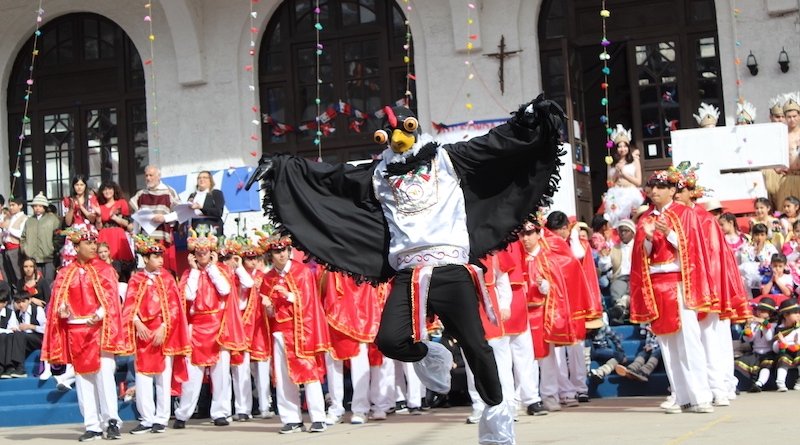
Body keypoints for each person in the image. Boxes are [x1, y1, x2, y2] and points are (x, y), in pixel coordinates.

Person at [246, 96, 564, 445]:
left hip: (451, 268)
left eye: (404, 129)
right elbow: (331, 177)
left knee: (477, 347)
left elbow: (494, 144)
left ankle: (497, 422)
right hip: (409, 275)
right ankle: (433, 353)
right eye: (389, 134)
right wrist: (282, 167)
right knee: (389, 340)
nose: (397, 138)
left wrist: (530, 119)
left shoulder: (447, 159)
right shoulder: (378, 174)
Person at [629, 170, 714, 414]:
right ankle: (680, 394)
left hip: (679, 282)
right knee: (667, 344)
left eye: (660, 187)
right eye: (651, 187)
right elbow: (641, 255)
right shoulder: (645, 218)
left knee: (689, 340)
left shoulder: (685, 214)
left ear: (672, 190)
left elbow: (694, 248)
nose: (654, 191)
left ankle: (701, 395)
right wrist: (646, 239)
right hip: (657, 284)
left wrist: (669, 234)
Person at [41, 226, 125, 441]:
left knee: (105, 376)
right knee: (83, 379)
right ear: (76, 247)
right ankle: (92, 425)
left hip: (99, 330)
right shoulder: (65, 273)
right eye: (88, 243)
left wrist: (99, 313)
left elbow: (111, 300)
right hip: (76, 331)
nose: (93, 246)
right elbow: (59, 302)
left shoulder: (104, 269)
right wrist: (63, 309)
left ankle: (111, 421)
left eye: (94, 243)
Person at [173, 228, 247, 429]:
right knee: (193, 374)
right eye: (198, 252)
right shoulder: (189, 273)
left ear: (212, 252)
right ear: (193, 255)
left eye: (205, 251)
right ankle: (183, 413)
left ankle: (220, 412)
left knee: (221, 373)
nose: (202, 254)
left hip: (218, 325)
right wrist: (196, 271)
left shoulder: (221, 269)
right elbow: (188, 296)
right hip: (197, 327)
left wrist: (212, 268)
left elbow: (225, 289)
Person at [260, 236, 330, 434]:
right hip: (280, 332)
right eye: (276, 251)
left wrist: (288, 295)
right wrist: (268, 307)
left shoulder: (302, 272)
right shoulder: (267, 278)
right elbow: (270, 311)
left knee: (309, 373)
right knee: (283, 378)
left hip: (301, 330)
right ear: (270, 255)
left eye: (284, 250)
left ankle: (318, 418)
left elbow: (309, 301)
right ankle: (291, 419)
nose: (281, 254)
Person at [121, 235, 190, 434]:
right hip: (143, 334)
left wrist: (164, 327)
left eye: (161, 256)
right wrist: (136, 322)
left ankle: (161, 418)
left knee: (163, 377)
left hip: (162, 333)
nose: (160, 260)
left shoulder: (167, 279)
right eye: (155, 256)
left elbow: (175, 307)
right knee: (142, 377)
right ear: (146, 258)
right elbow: (129, 306)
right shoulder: (136, 279)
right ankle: (146, 418)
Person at [320, 270, 387, 425]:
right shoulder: (331, 265)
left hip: (359, 318)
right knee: (333, 365)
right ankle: (336, 409)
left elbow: (370, 292)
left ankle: (360, 409)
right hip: (333, 317)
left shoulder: (361, 264)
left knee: (360, 365)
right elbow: (322, 288)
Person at [130, 165, 181, 275]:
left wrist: (165, 218)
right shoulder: (141, 194)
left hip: (163, 237)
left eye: (151, 175)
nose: (148, 178)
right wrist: (135, 235)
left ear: (158, 176)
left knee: (165, 271)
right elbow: (137, 216)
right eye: (146, 175)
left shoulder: (168, 192)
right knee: (147, 273)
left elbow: (180, 212)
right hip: (146, 240)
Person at [602, 124, 643, 227]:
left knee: (631, 220)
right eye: (619, 146)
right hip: (615, 193)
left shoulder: (634, 161)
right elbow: (610, 183)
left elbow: (639, 181)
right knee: (614, 220)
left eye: (625, 146)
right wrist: (616, 172)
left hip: (631, 192)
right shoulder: (612, 163)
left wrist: (624, 174)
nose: (622, 149)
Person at [735, 297, 777, 392]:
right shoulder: (755, 324)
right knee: (738, 363)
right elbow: (749, 339)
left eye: (763, 311)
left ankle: (759, 383)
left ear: (770, 313)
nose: (759, 312)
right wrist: (748, 328)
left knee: (766, 366)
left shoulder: (773, 325)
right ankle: (734, 385)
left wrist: (764, 324)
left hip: (768, 353)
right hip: (755, 352)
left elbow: (769, 338)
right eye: (758, 310)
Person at [599, 219, 636, 325]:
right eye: (621, 231)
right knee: (616, 288)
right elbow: (605, 267)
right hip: (620, 277)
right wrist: (605, 257)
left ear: (633, 232)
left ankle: (621, 311)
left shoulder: (639, 245)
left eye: (626, 231)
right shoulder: (614, 248)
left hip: (636, 277)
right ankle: (623, 310)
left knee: (635, 289)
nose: (623, 234)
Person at [96, 181, 134, 278]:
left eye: (109, 189)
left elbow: (128, 223)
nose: (107, 191)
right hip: (104, 236)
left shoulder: (121, 203)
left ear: (114, 190)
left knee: (122, 265)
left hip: (118, 235)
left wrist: (116, 218)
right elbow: (98, 227)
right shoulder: (99, 207)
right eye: (104, 190)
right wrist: (98, 217)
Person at [20, 192, 61, 283]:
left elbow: (58, 236)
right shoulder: (29, 221)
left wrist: (53, 248)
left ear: (45, 207)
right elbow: (23, 237)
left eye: (40, 206)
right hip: (32, 257)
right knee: (35, 281)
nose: (37, 208)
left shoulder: (52, 220)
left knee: (49, 282)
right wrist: (25, 249)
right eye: (35, 206)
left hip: (48, 256)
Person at [61, 174, 99, 268]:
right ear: (73, 186)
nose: (79, 187)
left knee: (90, 258)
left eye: (81, 185)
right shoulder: (67, 200)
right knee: (73, 258)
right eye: (77, 185)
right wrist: (71, 208)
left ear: (85, 186)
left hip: (88, 229)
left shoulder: (91, 199)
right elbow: (68, 222)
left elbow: (92, 218)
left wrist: (81, 207)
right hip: (74, 231)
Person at [772, 298, 800, 391]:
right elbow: (775, 346)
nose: (798, 315)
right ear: (785, 315)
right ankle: (780, 382)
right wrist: (781, 343)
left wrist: (794, 343)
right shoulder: (779, 329)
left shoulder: (798, 327)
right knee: (783, 359)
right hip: (785, 352)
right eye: (795, 313)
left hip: (797, 350)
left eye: (798, 313)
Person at [1, 197, 27, 286]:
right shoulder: (10, 218)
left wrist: (8, 228)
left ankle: (20, 295)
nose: (11, 207)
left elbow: (21, 234)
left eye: (13, 205)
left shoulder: (24, 218)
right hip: (7, 249)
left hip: (16, 249)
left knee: (18, 274)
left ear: (20, 206)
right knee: (10, 276)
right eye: (10, 205)